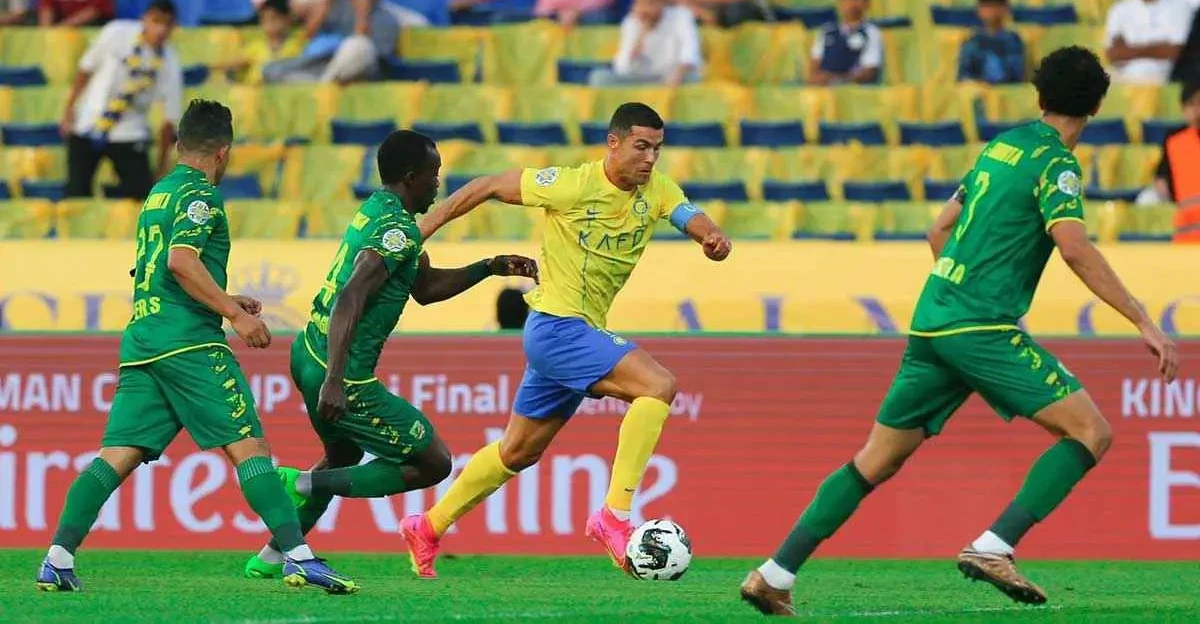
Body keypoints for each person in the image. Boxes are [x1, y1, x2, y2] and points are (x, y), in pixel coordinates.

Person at [740, 46, 1179, 615]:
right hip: (980, 326)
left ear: (1039, 96)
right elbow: (1074, 248)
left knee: (876, 459)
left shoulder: (1001, 147)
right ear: (1097, 105)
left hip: (934, 320)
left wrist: (962, 295)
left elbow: (938, 229)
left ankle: (773, 574)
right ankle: (994, 546)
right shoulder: (1058, 166)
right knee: (1090, 432)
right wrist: (1143, 320)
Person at [36, 99, 357, 595]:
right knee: (249, 447)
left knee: (116, 454)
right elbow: (181, 262)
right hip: (188, 343)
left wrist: (225, 296)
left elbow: (156, 268)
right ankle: (298, 556)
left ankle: (57, 559)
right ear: (223, 151)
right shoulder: (199, 194)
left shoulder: (159, 193)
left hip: (143, 341)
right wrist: (234, 315)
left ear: (178, 143)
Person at [399, 102, 734, 579]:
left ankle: (427, 526)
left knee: (517, 452)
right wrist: (423, 228)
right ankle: (614, 516)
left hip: (569, 335)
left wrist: (711, 236)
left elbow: (688, 214)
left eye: (657, 149)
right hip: (558, 326)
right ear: (613, 143)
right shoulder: (572, 185)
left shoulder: (657, 190)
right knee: (658, 386)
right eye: (641, 146)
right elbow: (489, 185)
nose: (650, 158)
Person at [240, 130, 539, 580]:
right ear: (411, 177)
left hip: (307, 350)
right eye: (434, 175)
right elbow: (351, 296)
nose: (438, 183)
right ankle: (298, 481)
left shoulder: (379, 211)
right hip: (340, 370)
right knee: (433, 461)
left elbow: (425, 289)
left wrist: (487, 268)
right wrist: (336, 380)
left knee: (342, 455)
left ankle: (271, 555)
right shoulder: (397, 231)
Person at [61, 0, 183, 201]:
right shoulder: (115, 32)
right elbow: (85, 70)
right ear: (144, 20)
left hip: (129, 131)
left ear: (173, 28)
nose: (161, 30)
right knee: (76, 196)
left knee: (142, 198)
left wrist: (161, 167)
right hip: (88, 122)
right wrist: (68, 110)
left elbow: (169, 120)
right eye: (156, 21)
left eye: (167, 24)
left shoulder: (170, 62)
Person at [588, 0, 703, 87]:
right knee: (599, 78)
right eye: (641, 4)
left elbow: (690, 54)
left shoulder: (681, 16)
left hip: (672, 76)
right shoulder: (631, 22)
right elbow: (621, 67)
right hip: (641, 79)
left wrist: (678, 75)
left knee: (691, 78)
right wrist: (641, 35)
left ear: (662, 3)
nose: (646, 8)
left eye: (651, 3)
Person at [1149, 80, 1200, 241]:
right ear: (1183, 109)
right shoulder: (1174, 141)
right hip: (1186, 235)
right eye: (1191, 104)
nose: (1197, 110)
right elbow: (1162, 179)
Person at [216, 0, 306, 85]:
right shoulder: (255, 46)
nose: (269, 24)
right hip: (256, 92)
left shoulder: (297, 45)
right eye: (264, 19)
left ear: (287, 19)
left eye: (273, 18)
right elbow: (240, 61)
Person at [1105, 0, 1195, 85]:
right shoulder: (1119, 9)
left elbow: (1176, 52)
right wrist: (1160, 48)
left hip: (1169, 79)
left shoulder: (1181, 6)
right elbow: (1114, 54)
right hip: (1128, 80)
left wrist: (1130, 50)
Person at [809, 0, 883, 85]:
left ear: (866, 4)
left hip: (855, 88)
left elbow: (869, 71)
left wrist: (838, 80)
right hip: (824, 89)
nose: (851, 4)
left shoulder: (871, 32)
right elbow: (813, 67)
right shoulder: (827, 30)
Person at [957, 0, 1026, 84]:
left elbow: (1016, 75)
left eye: (997, 5)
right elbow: (963, 76)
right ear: (979, 10)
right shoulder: (971, 42)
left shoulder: (1013, 40)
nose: (992, 10)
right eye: (987, 5)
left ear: (1006, 9)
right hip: (977, 90)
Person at [38, 0, 113, 26]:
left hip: (92, 26)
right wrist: (45, 33)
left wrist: (61, 28)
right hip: (61, 25)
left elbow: (93, 12)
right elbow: (46, 8)